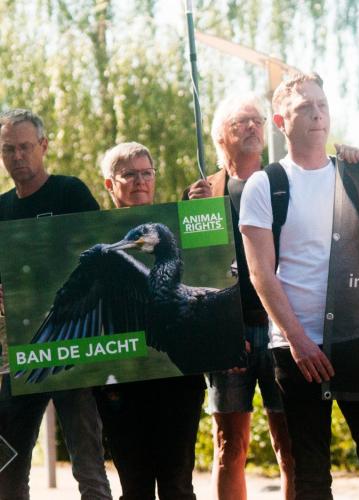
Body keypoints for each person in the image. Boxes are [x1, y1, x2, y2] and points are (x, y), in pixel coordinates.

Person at [239, 72, 359, 499]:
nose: (317, 115)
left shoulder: (352, 174)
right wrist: (298, 339)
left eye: (323, 105)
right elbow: (260, 273)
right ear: (281, 121)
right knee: (310, 473)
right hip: (298, 346)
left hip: (358, 335)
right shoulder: (266, 184)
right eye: (304, 108)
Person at [183, 93, 295, 500]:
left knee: (291, 445)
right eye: (240, 122)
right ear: (219, 138)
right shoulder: (200, 194)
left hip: (283, 328)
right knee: (230, 445)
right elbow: (195, 277)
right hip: (230, 332)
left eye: (257, 121)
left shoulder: (283, 184)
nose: (251, 127)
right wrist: (221, 334)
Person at [0, 108, 112, 500]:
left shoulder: (70, 192)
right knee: (8, 469)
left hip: (71, 348)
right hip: (19, 356)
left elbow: (103, 260)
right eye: (8, 149)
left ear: (43, 146)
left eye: (26, 147)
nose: (18, 157)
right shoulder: (0, 208)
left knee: (89, 465)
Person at [94, 142, 206, 500]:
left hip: (177, 382)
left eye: (147, 173)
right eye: (129, 174)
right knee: (135, 486)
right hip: (121, 383)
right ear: (110, 185)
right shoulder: (96, 240)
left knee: (177, 484)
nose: (140, 181)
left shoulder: (184, 219)